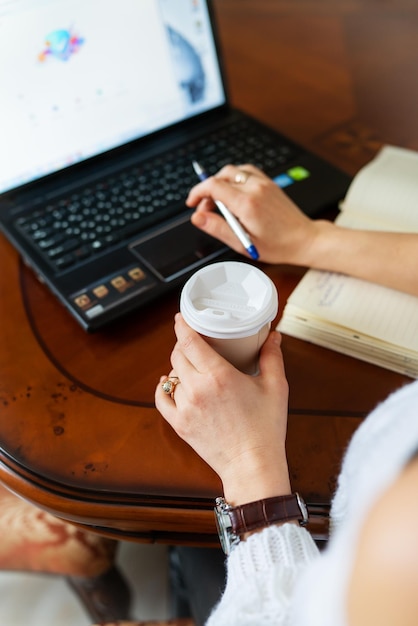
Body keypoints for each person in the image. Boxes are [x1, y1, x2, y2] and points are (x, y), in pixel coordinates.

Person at [154, 164, 418, 625]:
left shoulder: (402, 545)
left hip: (306, 545)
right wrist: (309, 238)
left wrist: (249, 466)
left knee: (184, 550)